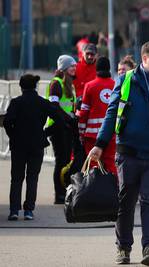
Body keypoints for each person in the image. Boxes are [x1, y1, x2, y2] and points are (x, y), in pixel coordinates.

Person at [88, 41, 149, 266]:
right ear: (145, 59)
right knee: (126, 203)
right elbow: (112, 114)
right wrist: (100, 145)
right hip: (128, 153)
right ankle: (123, 248)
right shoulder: (127, 80)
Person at [4, 74, 63, 220]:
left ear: (21, 86)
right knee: (32, 177)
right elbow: (59, 120)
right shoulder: (42, 103)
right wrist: (45, 133)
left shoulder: (16, 102)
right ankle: (29, 210)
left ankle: (14, 211)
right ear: (35, 86)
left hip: (18, 145)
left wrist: (13, 135)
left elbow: (7, 122)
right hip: (37, 144)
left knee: (16, 178)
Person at [46, 55, 77, 204]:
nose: (74, 68)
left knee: (66, 161)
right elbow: (54, 106)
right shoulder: (56, 84)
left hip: (67, 128)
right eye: (71, 66)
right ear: (64, 68)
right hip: (58, 128)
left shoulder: (69, 83)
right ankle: (59, 194)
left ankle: (64, 191)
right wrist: (68, 119)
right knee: (61, 161)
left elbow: (69, 105)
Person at [76, 56, 116, 174]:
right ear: (109, 68)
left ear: (96, 69)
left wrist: (81, 133)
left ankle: (93, 190)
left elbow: (83, 113)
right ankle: (115, 190)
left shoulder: (89, 86)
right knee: (111, 165)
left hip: (92, 135)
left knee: (93, 165)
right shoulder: (116, 85)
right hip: (111, 134)